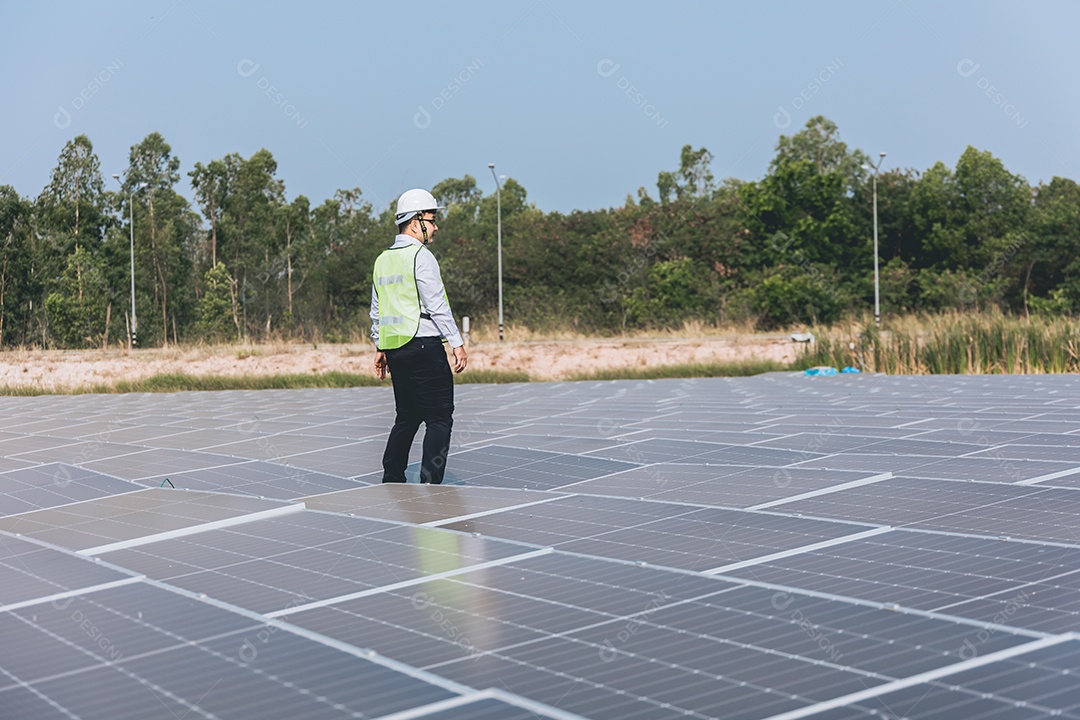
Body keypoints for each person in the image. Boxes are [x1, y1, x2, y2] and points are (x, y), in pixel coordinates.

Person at [371, 188, 467, 484]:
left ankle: (392, 476)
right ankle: (430, 484)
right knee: (439, 418)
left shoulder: (382, 260)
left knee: (408, 416)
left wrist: (380, 345)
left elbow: (377, 310)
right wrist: (457, 342)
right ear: (415, 222)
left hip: (396, 349)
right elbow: (437, 304)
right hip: (425, 345)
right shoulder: (421, 257)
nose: (436, 227)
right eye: (432, 219)